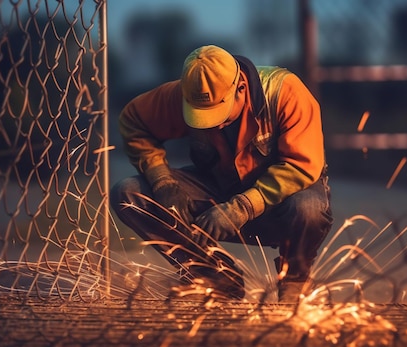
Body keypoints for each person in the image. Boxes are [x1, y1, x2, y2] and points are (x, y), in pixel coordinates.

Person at [110, 44, 333, 303]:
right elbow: (133, 120)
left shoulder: (285, 92)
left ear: (240, 86)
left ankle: (294, 280)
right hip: (219, 190)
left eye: (219, 113)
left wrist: (243, 207)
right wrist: (162, 181)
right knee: (129, 193)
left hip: (278, 208)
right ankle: (216, 277)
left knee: (309, 206)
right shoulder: (185, 94)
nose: (213, 123)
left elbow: (302, 165)